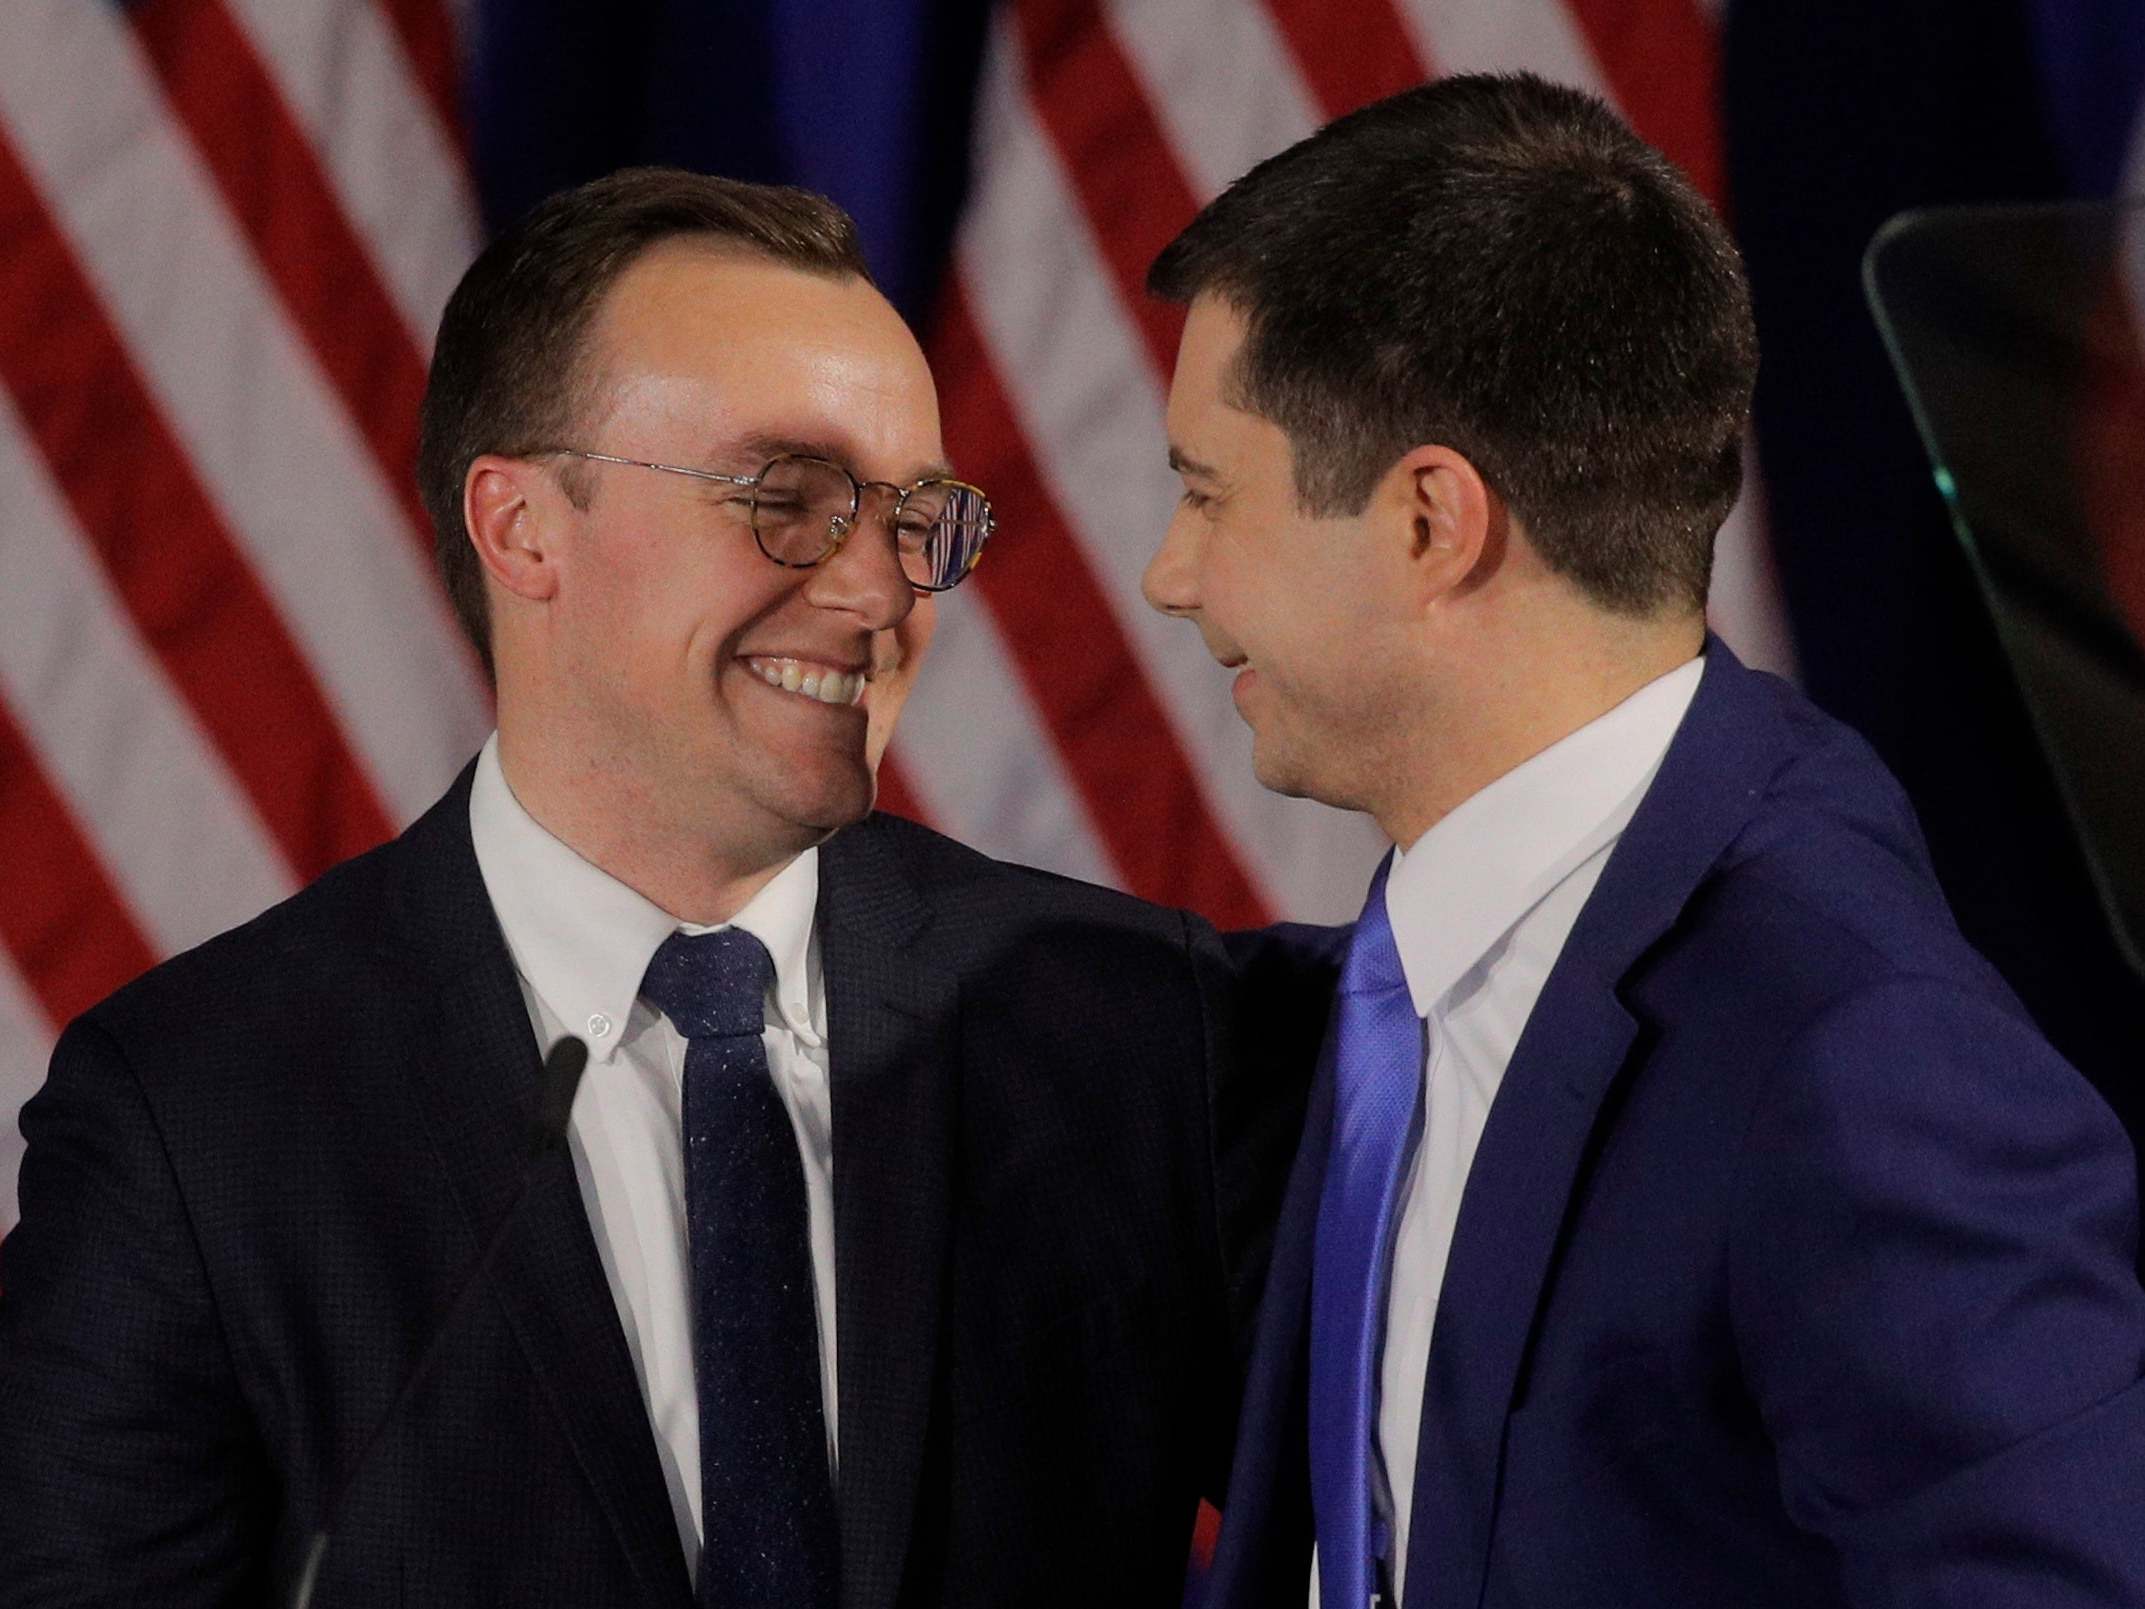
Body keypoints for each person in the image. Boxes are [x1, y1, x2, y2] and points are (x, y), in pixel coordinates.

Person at [0, 169, 1329, 1608]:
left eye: (919, 518)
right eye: (791, 498)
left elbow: (1436, 1515)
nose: (884, 594)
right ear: (522, 529)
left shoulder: (1134, 1032)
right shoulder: (197, 1118)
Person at [1140, 73, 2145, 1609]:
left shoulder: (1858, 1056)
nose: (1165, 573)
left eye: (1209, 495)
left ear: (1429, 522)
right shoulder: (1410, 977)